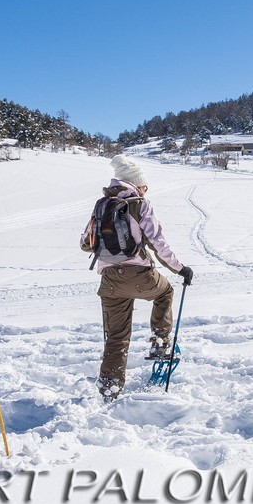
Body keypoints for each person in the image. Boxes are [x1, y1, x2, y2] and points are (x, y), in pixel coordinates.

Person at [84, 155, 193, 400]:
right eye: (144, 185)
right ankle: (160, 342)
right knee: (165, 292)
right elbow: (158, 243)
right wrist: (180, 269)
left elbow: (85, 243)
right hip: (140, 275)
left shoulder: (101, 205)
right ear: (136, 183)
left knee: (116, 338)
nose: (146, 189)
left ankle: (109, 389)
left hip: (110, 280)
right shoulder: (140, 204)